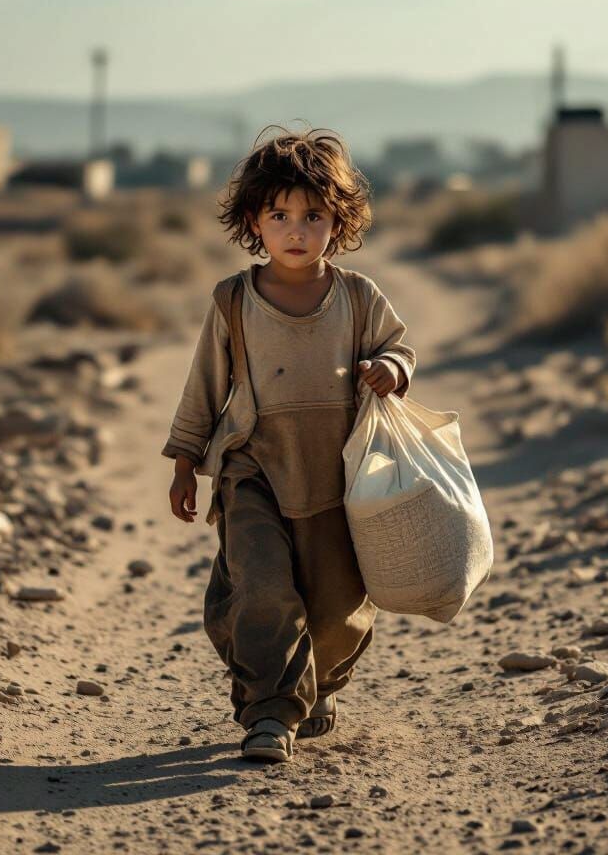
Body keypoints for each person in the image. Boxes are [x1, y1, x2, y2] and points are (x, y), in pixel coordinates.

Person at [160, 126, 416, 763]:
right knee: (264, 588)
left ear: (339, 221)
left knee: (335, 601)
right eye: (280, 215)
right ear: (255, 220)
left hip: (336, 473)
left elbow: (399, 346)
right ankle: (271, 711)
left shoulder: (358, 297)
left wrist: (393, 369)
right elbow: (202, 389)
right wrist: (186, 463)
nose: (296, 230)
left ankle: (319, 681)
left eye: (313, 216)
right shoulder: (234, 300)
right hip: (254, 467)